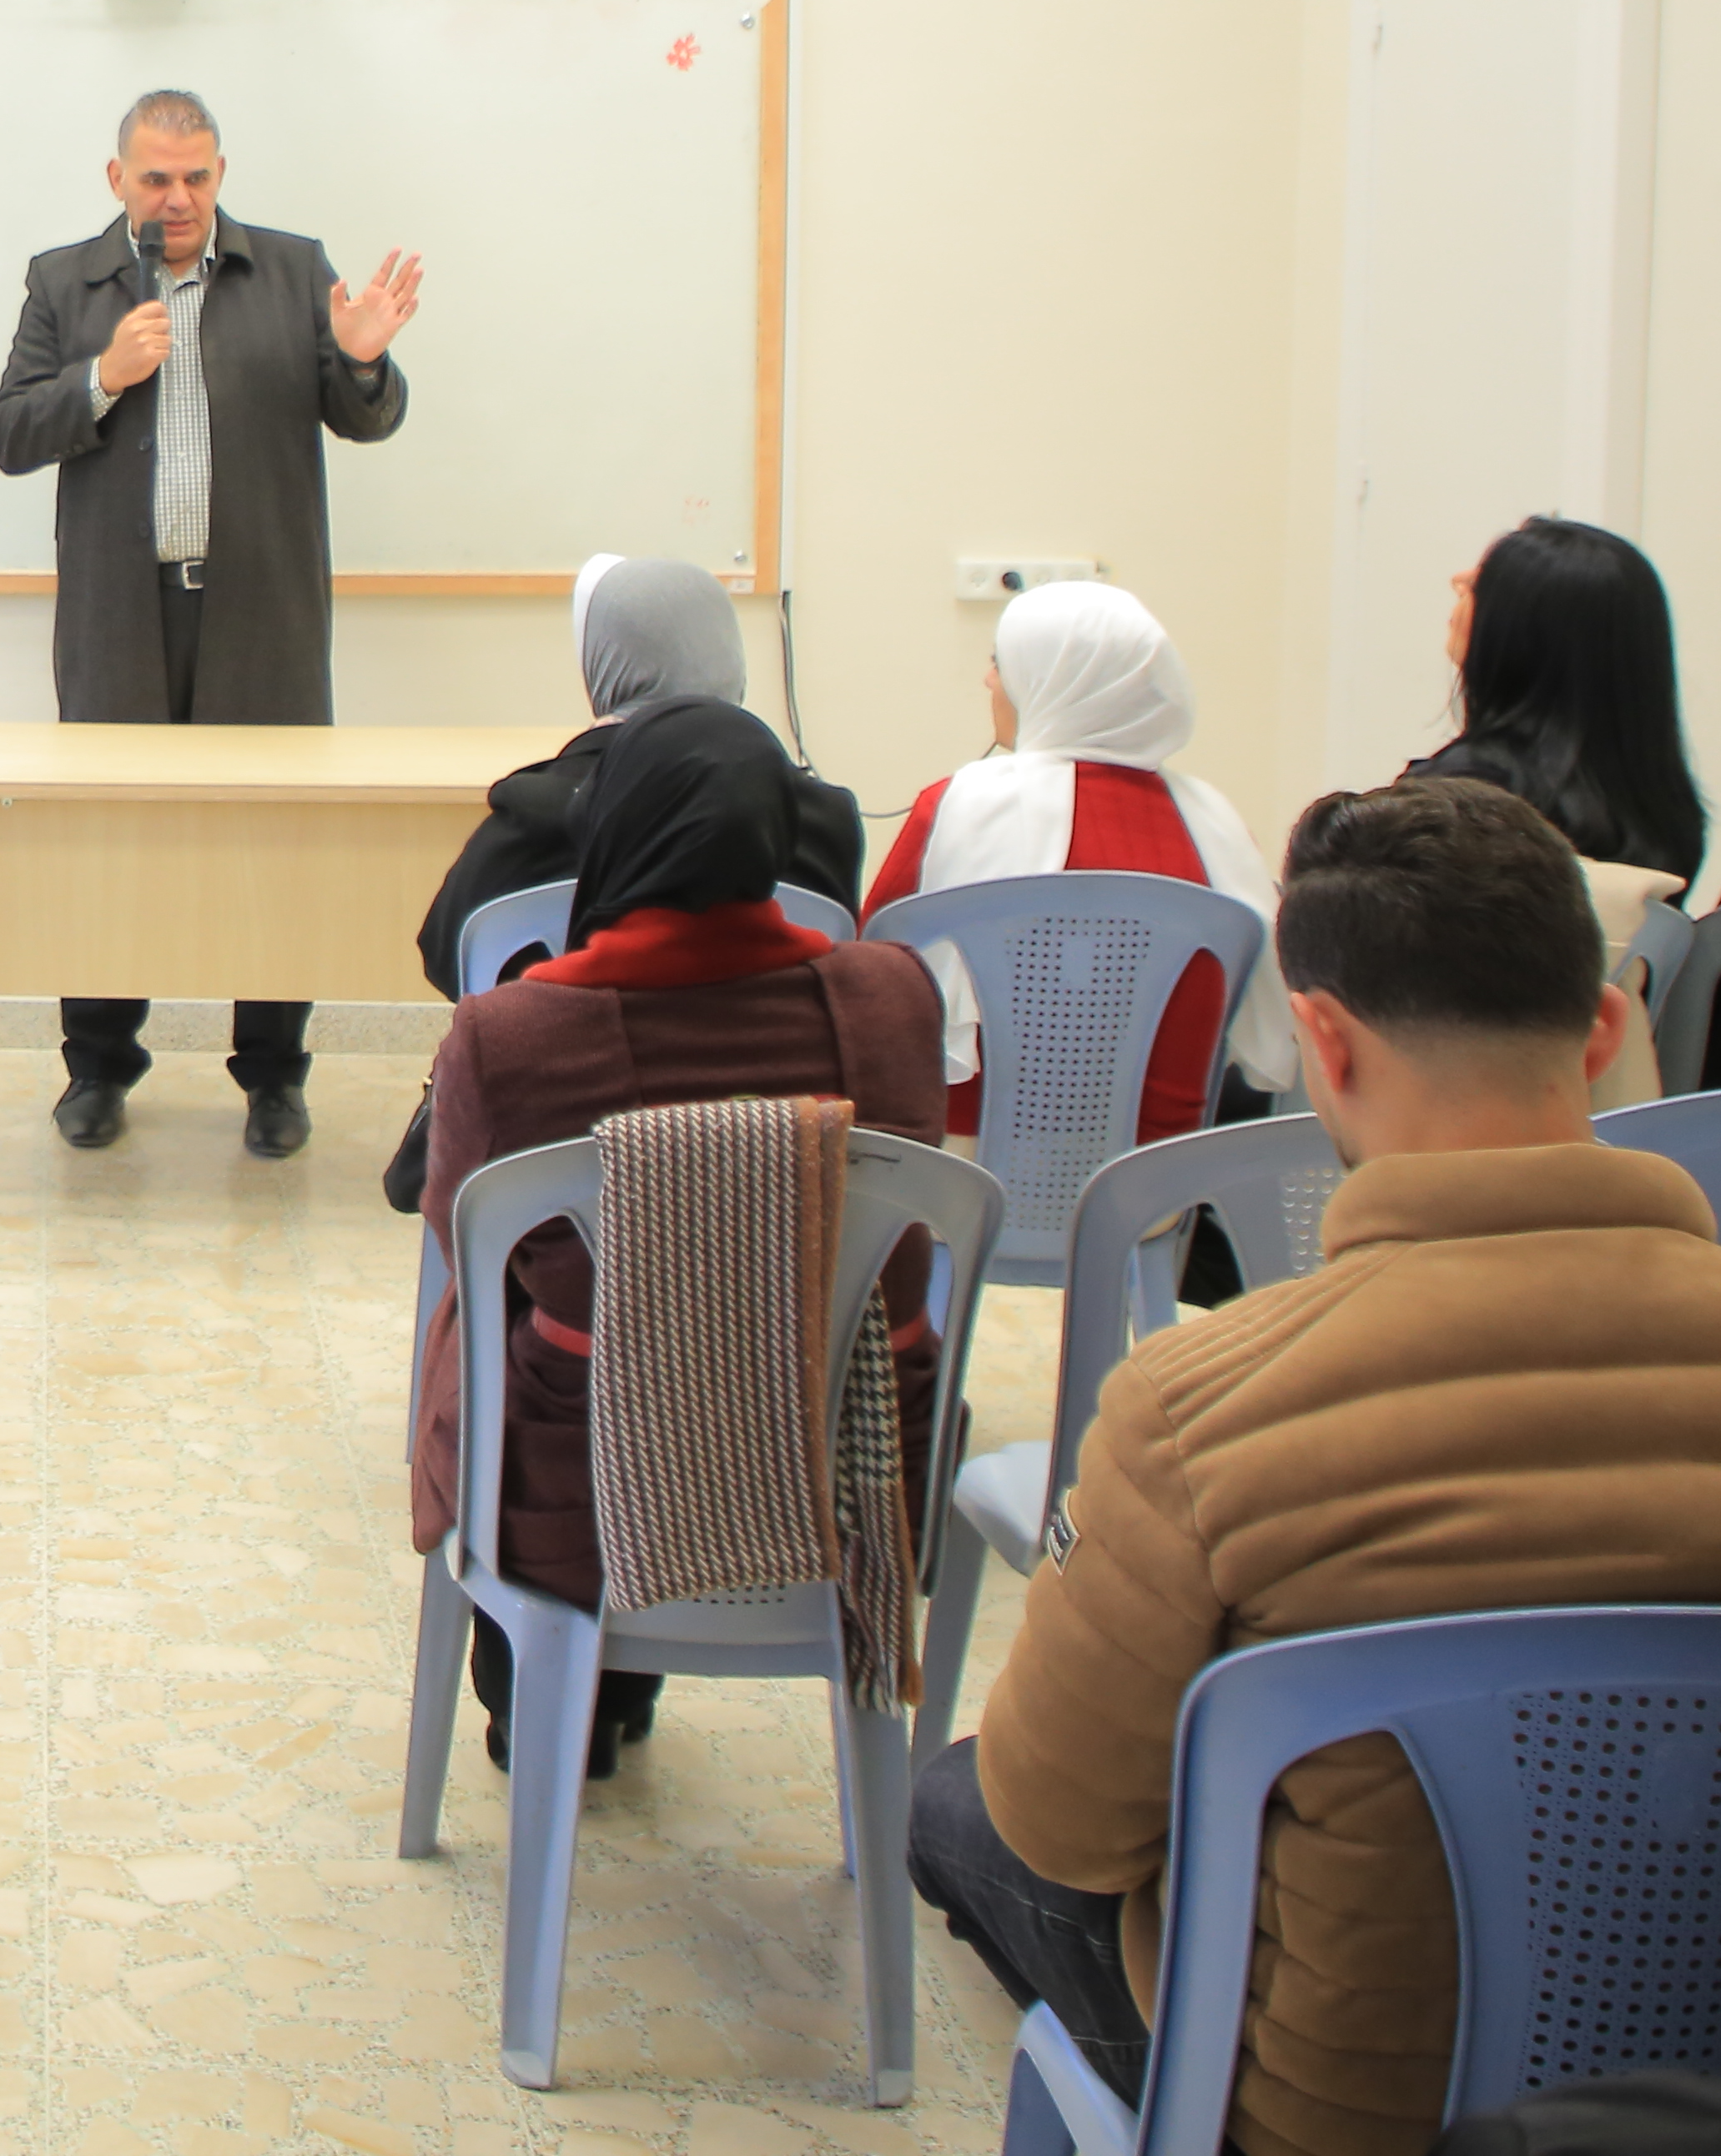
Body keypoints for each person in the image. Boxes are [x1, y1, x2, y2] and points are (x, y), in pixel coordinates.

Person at [910, 777, 1721, 2155]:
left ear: (1324, 1042)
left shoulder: (1201, 1408)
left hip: (1335, 2112)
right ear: (1606, 1028)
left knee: (965, 1799)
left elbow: (1063, 1822)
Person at [407, 700, 946, 1779]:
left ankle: (548, 1709)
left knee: (516, 1322)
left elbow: (463, 1234)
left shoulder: (512, 1035)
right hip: (854, 1481)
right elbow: (910, 1252)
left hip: (581, 1501)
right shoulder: (892, 998)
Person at [0, 87, 421, 1160]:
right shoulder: (63, 281)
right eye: (154, 179)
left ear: (219, 173)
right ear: (116, 180)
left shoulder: (289, 268)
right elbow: (5, 432)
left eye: (196, 177)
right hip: (116, 621)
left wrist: (361, 356)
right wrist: (100, 378)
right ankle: (97, 1068)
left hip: (259, 615)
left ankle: (274, 1078)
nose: (177, 199)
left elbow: (365, 416)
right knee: (106, 846)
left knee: (271, 852)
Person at [383, 551, 862, 1212]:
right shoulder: (821, 819)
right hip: (778, 1154)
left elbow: (453, 962)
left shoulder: (533, 814)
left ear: (602, 662)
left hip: (555, 1153)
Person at [863, 581, 1295, 1140]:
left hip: (965, 1182)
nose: (989, 679)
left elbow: (870, 968)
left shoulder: (957, 805)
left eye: (1001, 662)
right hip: (1153, 1191)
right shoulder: (1217, 826)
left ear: (1046, 678)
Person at [1407, 515, 1710, 954]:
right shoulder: (1669, 812)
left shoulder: (1454, 807)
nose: (1460, 580)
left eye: (1486, 583)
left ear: (1521, 636)